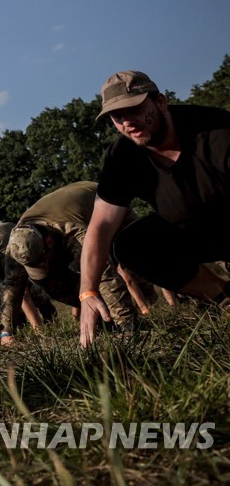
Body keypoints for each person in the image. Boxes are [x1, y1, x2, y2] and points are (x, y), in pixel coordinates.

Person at [79, 71, 230, 346]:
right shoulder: (122, 156)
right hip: (191, 232)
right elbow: (100, 226)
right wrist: (87, 292)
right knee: (131, 244)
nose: (127, 122)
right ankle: (224, 296)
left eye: (134, 109)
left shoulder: (217, 130)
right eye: (117, 116)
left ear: (160, 102)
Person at [0, 182, 138, 346]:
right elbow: (11, 287)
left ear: (49, 242)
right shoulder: (16, 244)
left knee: (138, 255)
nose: (44, 265)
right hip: (64, 212)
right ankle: (103, 320)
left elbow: (103, 273)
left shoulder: (73, 231)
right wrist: (6, 332)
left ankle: (125, 320)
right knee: (51, 282)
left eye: (44, 260)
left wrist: (127, 327)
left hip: (104, 200)